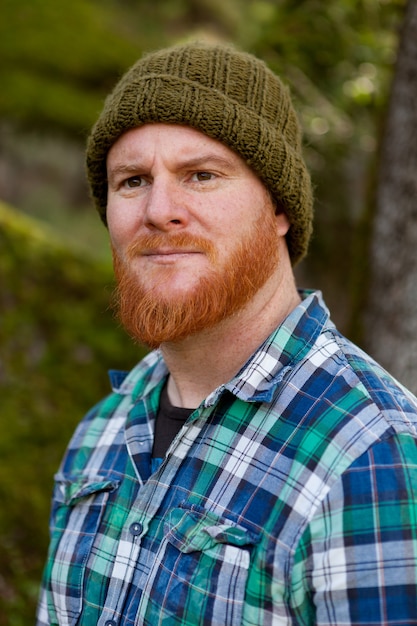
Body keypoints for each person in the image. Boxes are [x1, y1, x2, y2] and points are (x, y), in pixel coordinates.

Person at [37, 41, 417, 626]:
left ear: (279, 208)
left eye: (202, 175)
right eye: (132, 181)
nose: (160, 210)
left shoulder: (370, 453)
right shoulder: (102, 431)